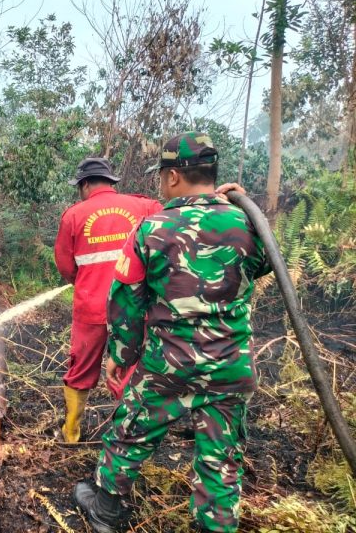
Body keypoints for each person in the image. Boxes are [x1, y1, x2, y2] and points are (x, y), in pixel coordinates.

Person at [73, 132, 271, 533]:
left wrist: (121, 356)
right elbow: (265, 266)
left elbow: (127, 301)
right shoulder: (246, 223)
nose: (161, 184)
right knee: (221, 454)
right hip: (232, 365)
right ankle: (215, 526)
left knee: (130, 429)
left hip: (170, 363)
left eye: (162, 175)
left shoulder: (152, 229)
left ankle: (106, 510)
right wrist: (239, 208)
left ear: (175, 176)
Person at [54, 157, 162, 443]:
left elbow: (66, 267)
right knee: (128, 369)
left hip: (91, 308)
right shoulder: (146, 206)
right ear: (111, 183)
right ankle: (125, 436)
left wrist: (87, 281)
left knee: (80, 369)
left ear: (86, 184)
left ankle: (72, 433)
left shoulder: (74, 215)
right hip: (134, 308)